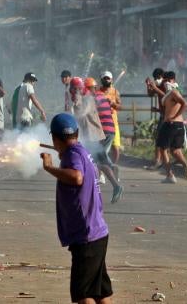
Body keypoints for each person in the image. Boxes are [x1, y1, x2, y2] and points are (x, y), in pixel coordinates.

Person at [40, 113, 113, 304]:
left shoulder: (72, 155)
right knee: (100, 292)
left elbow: (76, 177)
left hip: (86, 236)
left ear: (55, 138)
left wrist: (49, 168)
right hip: (98, 233)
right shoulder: (81, 152)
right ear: (77, 134)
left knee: (84, 295)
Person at [71, 77, 123, 204]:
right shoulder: (86, 98)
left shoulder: (88, 99)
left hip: (93, 136)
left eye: (74, 89)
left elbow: (81, 113)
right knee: (95, 162)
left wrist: (76, 101)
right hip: (91, 136)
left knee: (91, 163)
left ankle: (113, 185)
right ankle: (113, 181)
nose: (72, 91)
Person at [156, 71, 187, 183]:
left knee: (163, 149)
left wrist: (173, 117)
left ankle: (170, 175)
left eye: (168, 80)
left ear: (173, 80)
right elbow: (169, 108)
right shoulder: (169, 94)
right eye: (165, 80)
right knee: (175, 151)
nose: (166, 82)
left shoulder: (174, 92)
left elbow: (185, 104)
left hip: (171, 124)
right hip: (178, 125)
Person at [100, 71, 122, 164]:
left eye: (108, 78)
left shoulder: (115, 92)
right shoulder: (98, 92)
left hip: (113, 123)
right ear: (101, 79)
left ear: (111, 80)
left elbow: (120, 107)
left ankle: (113, 168)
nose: (106, 80)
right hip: (101, 123)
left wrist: (113, 104)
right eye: (104, 78)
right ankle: (101, 171)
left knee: (116, 148)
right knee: (101, 148)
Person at [145, 68, 166, 170]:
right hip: (163, 115)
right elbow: (150, 94)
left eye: (157, 77)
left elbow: (166, 95)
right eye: (155, 78)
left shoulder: (166, 84)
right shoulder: (158, 85)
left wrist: (155, 87)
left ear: (162, 76)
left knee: (160, 139)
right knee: (160, 139)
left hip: (168, 116)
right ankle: (160, 160)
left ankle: (158, 161)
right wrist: (148, 85)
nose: (156, 80)